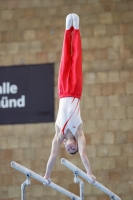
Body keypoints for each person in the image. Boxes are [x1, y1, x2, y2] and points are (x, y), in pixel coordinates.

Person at [44, 13, 96, 184]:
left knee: (65, 59)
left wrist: (47, 175)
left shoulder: (58, 135)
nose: (70, 147)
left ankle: (68, 30)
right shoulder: (79, 133)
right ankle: (77, 28)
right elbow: (83, 154)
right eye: (73, 147)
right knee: (77, 59)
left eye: (69, 149)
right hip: (75, 91)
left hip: (62, 91)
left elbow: (52, 155)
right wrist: (89, 172)